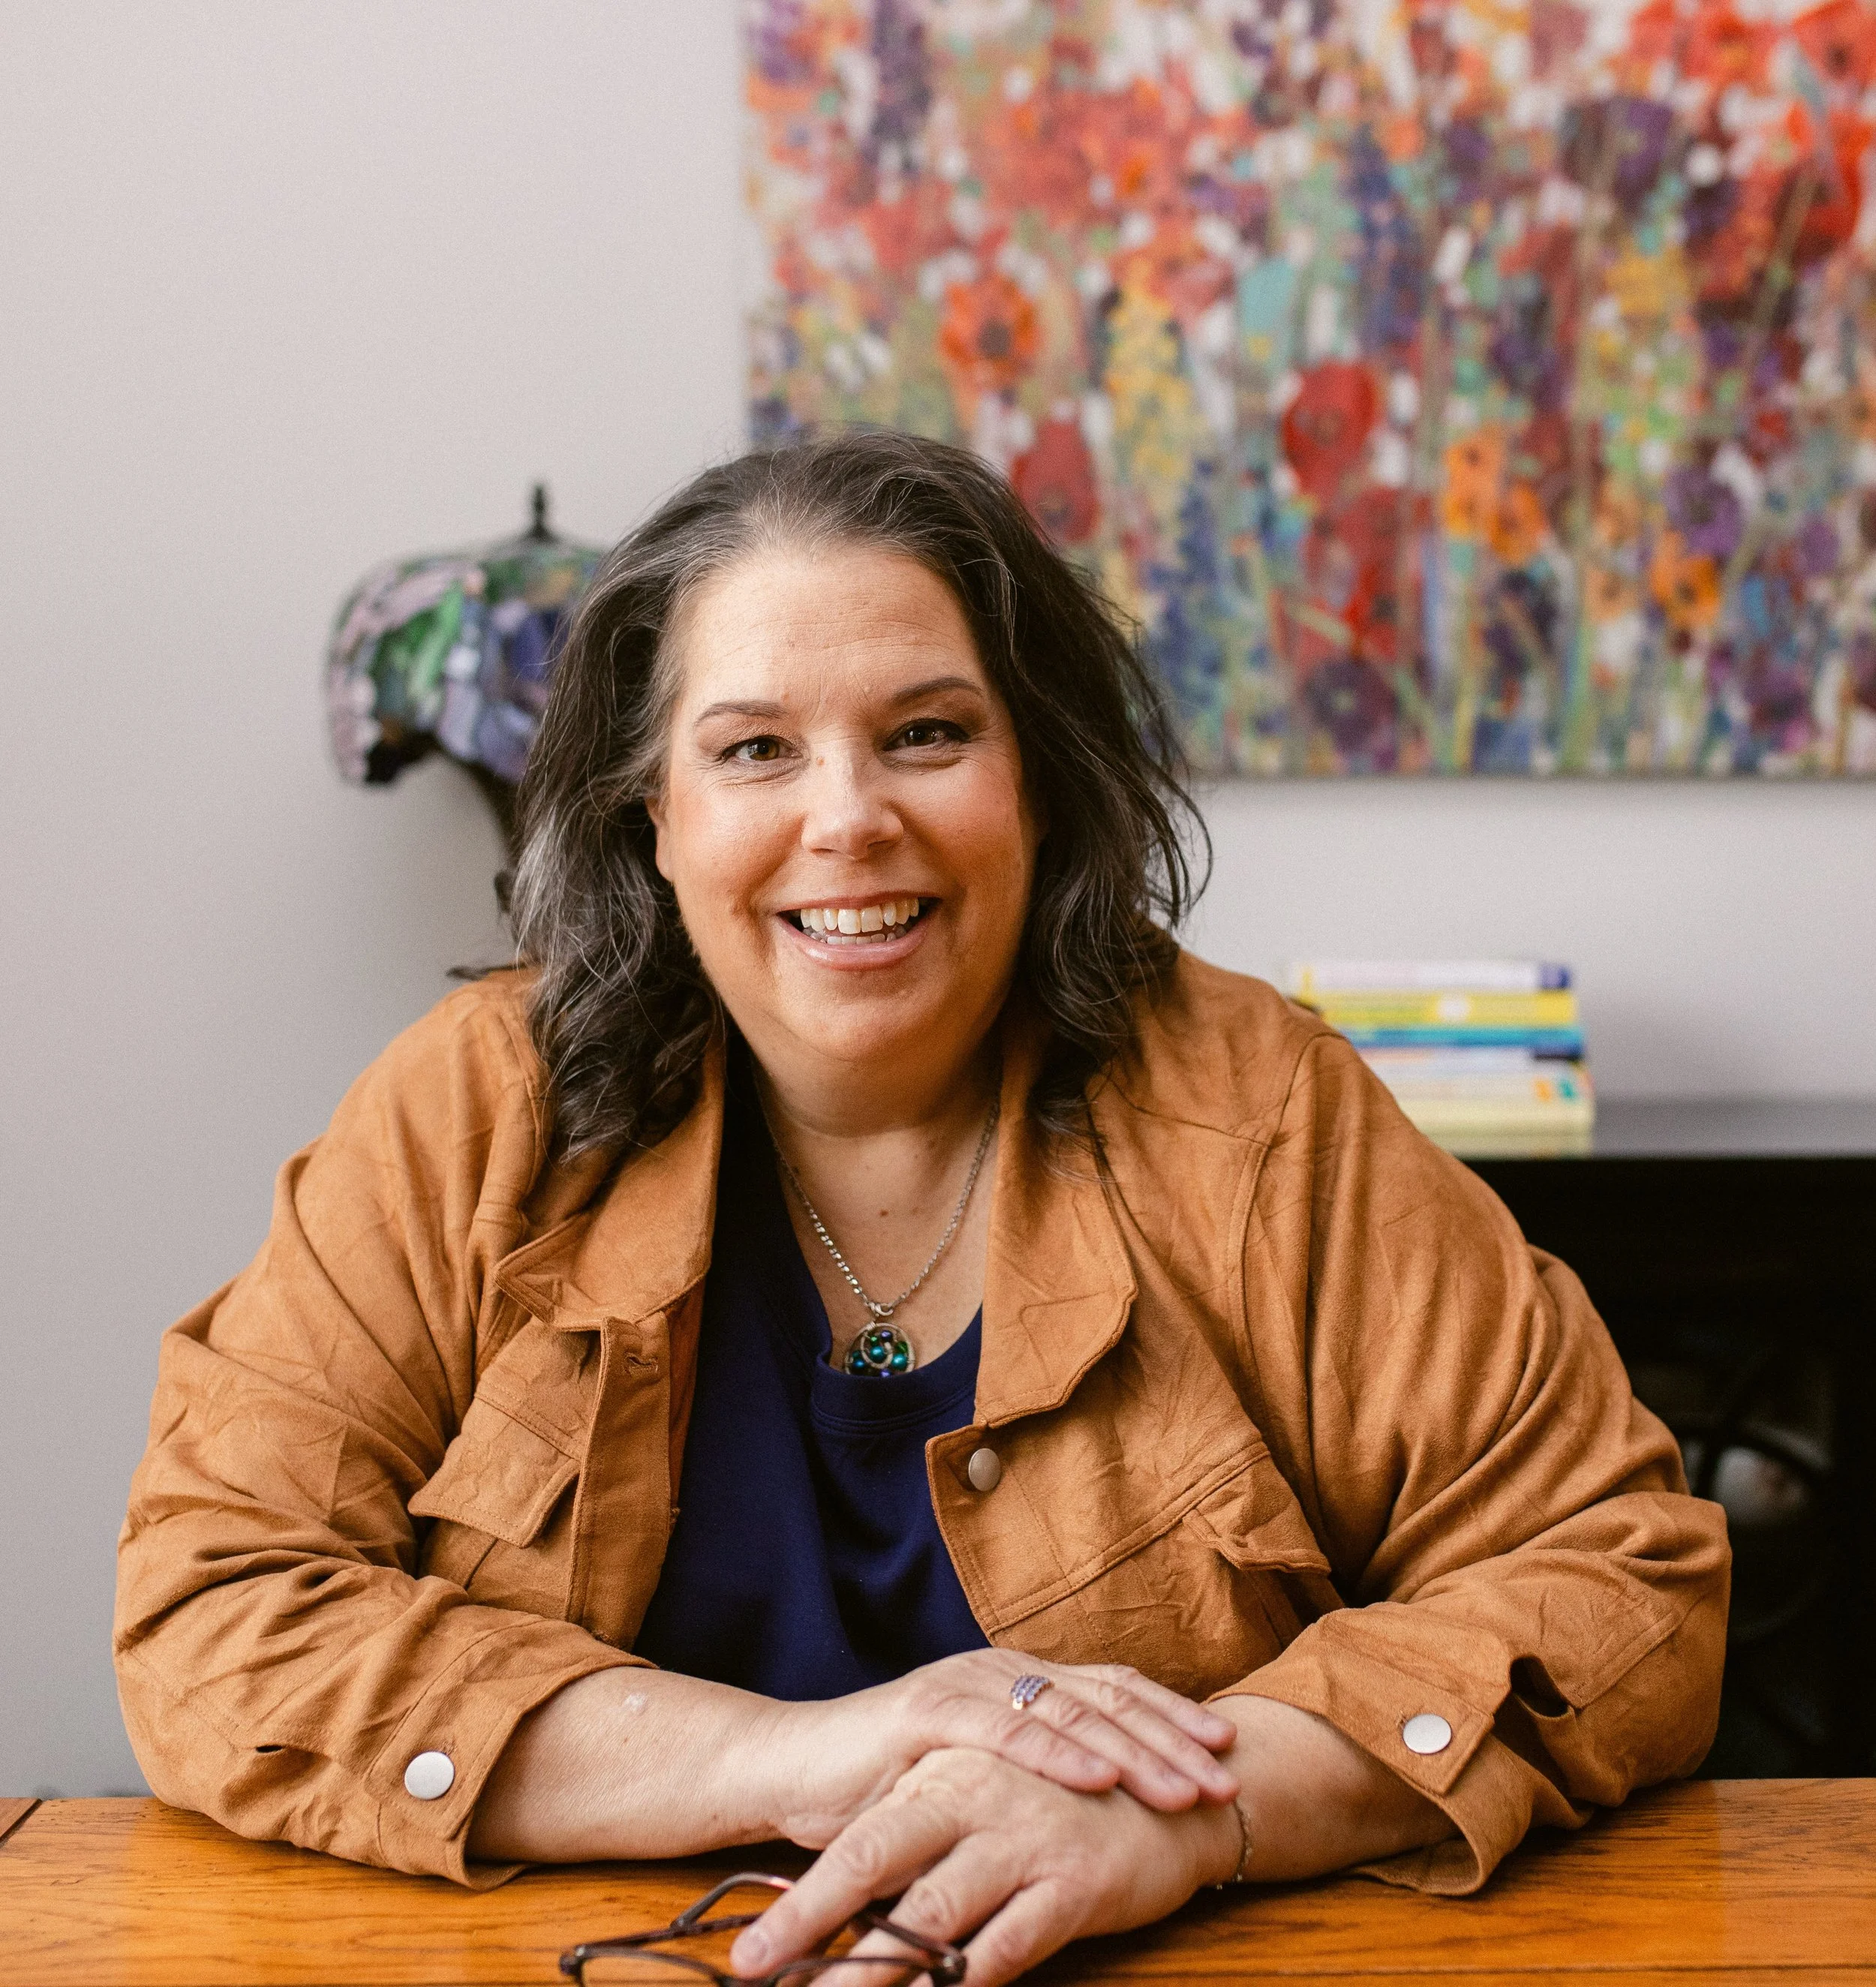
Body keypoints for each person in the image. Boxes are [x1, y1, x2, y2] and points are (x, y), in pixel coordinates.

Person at [116, 431, 1728, 1986]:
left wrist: (1187, 1810)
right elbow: (212, 1599)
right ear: (651, 818)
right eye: (754, 748)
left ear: (1035, 777)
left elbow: (1615, 1572)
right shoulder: (474, 1111)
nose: (847, 820)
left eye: (928, 732)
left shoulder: (1259, 1116)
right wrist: (798, 1758)